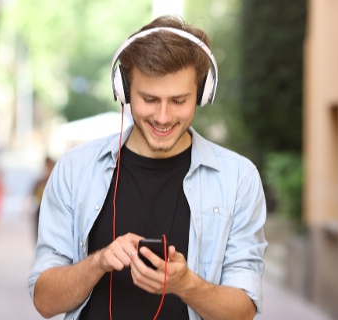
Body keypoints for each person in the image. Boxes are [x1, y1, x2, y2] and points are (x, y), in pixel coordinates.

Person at [29, 15, 267, 320]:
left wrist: (186, 284)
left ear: (203, 94)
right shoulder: (74, 170)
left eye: (179, 100)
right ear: (125, 90)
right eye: (150, 99)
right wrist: (98, 262)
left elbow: (243, 311)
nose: (164, 117)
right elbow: (45, 302)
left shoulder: (239, 179)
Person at [32, 157, 56, 243]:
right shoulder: (40, 182)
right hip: (40, 208)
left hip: (52, 210)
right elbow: (33, 195)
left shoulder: (55, 181)